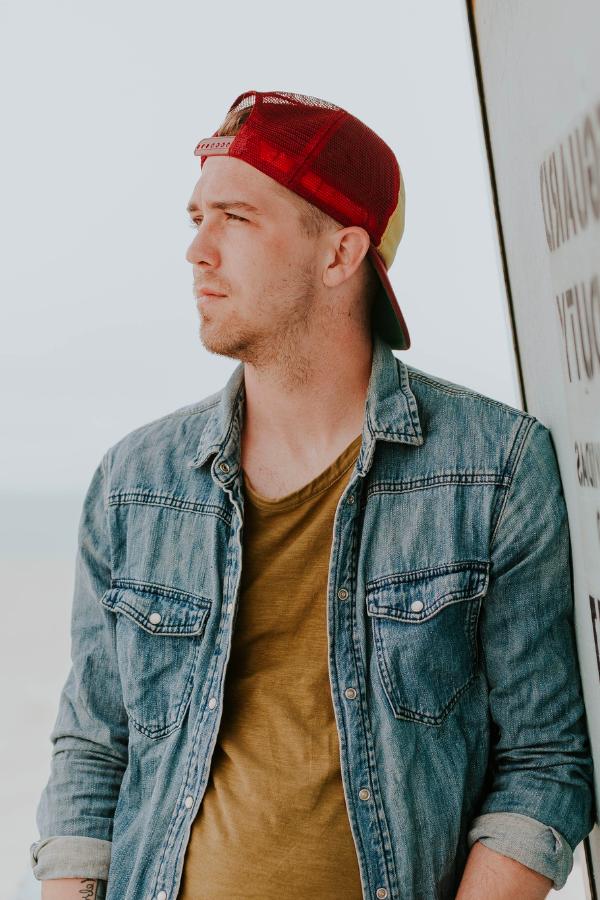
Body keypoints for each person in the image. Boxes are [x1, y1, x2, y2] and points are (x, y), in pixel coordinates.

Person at [31, 89, 595, 900]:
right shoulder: (134, 483)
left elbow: (544, 762)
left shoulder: (496, 467)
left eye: (236, 217)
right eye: (196, 217)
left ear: (340, 254)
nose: (197, 249)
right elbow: (91, 750)